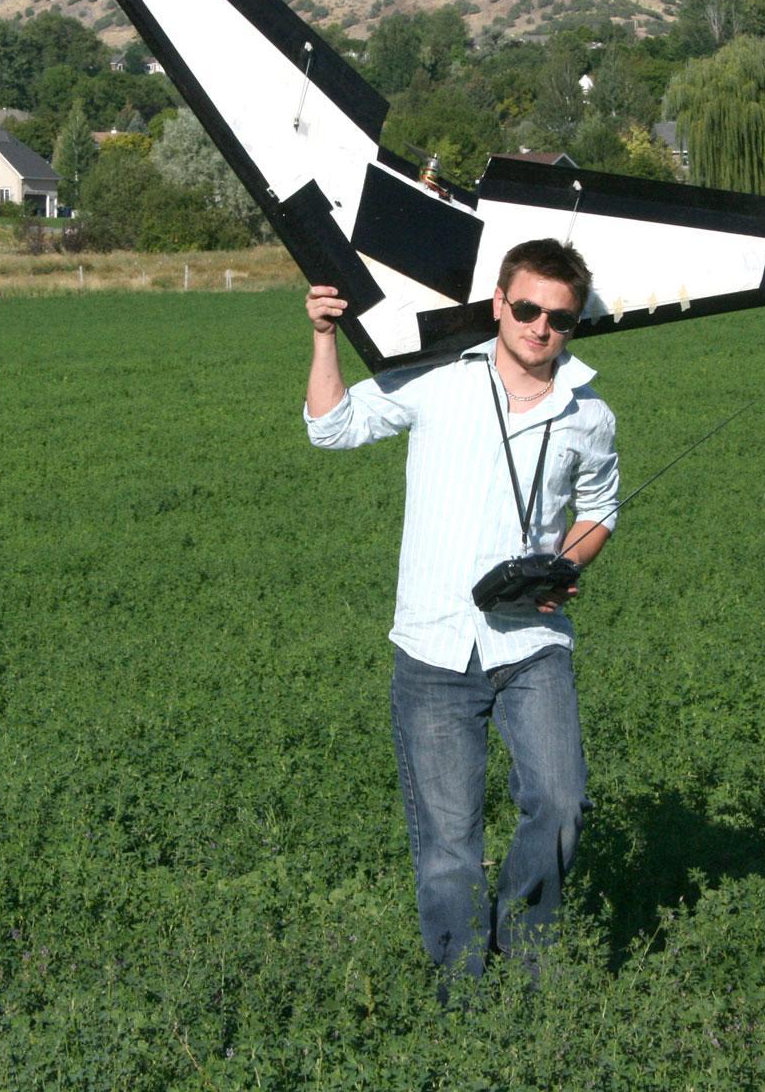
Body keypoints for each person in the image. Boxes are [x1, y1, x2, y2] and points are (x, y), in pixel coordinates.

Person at [304, 238, 619, 994]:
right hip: (433, 648)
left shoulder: (590, 413)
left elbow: (599, 510)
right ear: (499, 304)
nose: (540, 328)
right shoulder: (438, 379)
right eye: (527, 309)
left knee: (562, 802)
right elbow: (332, 425)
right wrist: (322, 336)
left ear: (574, 324)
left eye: (559, 317)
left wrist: (566, 565)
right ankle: (462, 987)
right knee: (447, 841)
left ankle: (527, 946)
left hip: (531, 642)